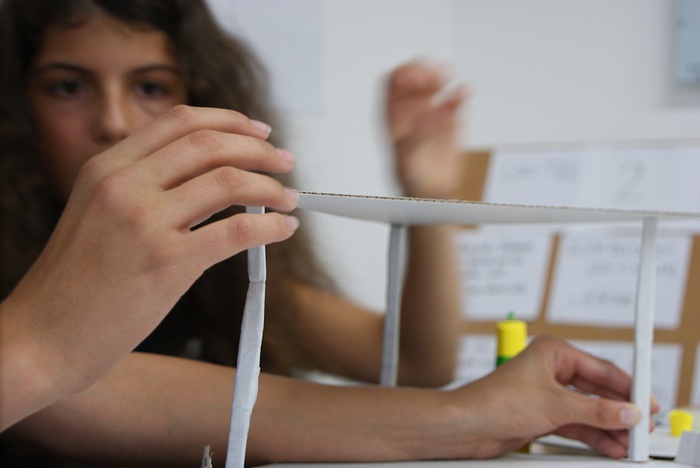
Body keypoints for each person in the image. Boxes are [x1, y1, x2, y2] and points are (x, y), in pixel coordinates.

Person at [0, 0, 656, 466]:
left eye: (149, 86)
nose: (115, 123)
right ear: (16, 106)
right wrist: (464, 419)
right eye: (68, 87)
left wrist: (427, 201)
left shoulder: (216, 264)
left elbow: (417, 361)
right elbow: (59, 391)